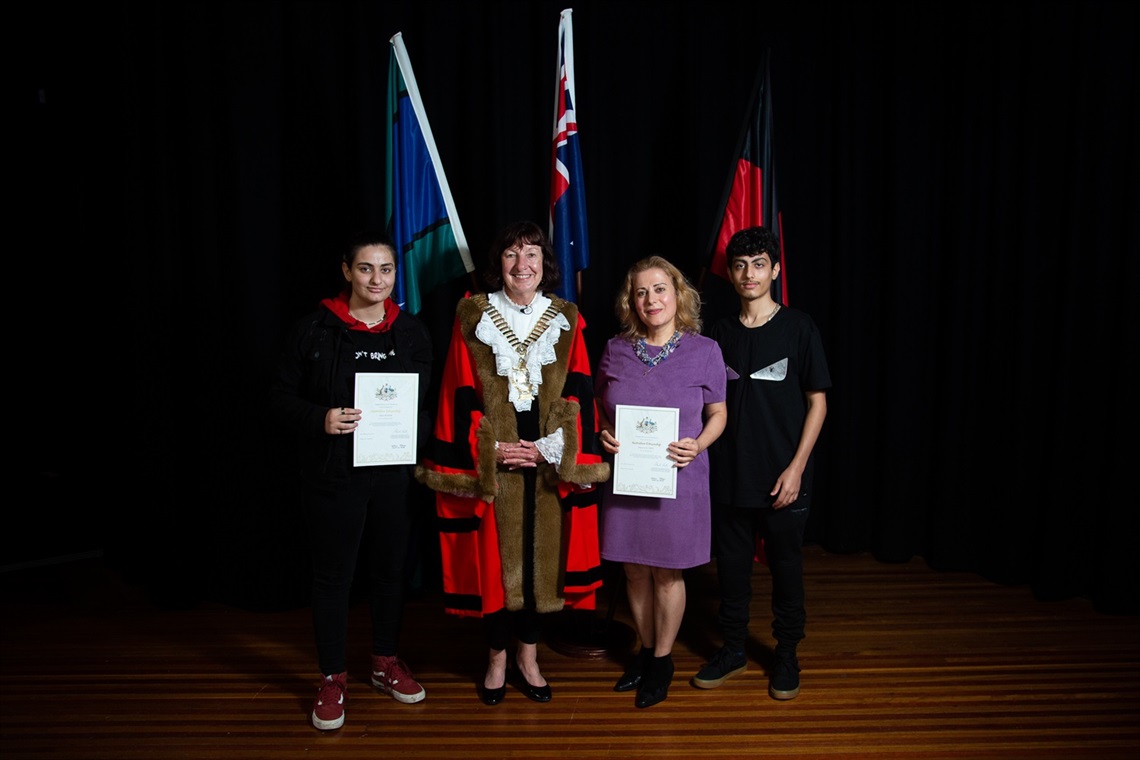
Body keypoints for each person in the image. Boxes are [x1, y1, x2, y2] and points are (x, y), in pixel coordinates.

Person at [416, 220, 609, 706]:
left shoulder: (568, 319)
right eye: (510, 255)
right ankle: (497, 659)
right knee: (498, 569)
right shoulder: (471, 316)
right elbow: (457, 393)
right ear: (496, 264)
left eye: (532, 255)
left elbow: (580, 393)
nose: (521, 265)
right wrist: (490, 448)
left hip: (544, 459)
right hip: (494, 458)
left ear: (545, 265)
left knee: (538, 567)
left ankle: (529, 657)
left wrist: (547, 448)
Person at [269, 232, 433, 731]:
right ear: (347, 271)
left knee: (390, 571)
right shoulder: (315, 330)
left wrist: (413, 440)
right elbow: (278, 397)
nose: (377, 280)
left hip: (393, 474)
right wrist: (321, 418)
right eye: (366, 269)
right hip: (333, 475)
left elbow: (426, 406)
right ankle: (332, 677)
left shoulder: (412, 332)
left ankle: (384, 662)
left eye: (386, 270)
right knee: (334, 577)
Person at [694, 225, 831, 701]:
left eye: (758, 264)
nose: (748, 273)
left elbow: (818, 402)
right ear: (730, 275)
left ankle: (786, 655)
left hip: (783, 478)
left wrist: (796, 469)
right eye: (739, 265)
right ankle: (732, 650)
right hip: (729, 476)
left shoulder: (799, 327)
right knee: (731, 570)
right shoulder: (718, 335)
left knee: (786, 569)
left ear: (774, 270)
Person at [595, 256, 728, 708]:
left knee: (668, 574)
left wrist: (700, 444)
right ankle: (646, 651)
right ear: (630, 302)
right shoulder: (615, 349)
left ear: (678, 295)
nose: (651, 299)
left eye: (659, 289)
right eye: (641, 292)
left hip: (678, 476)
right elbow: (600, 406)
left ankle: (663, 660)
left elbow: (719, 413)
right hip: (628, 478)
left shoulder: (705, 350)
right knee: (633, 569)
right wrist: (603, 433)